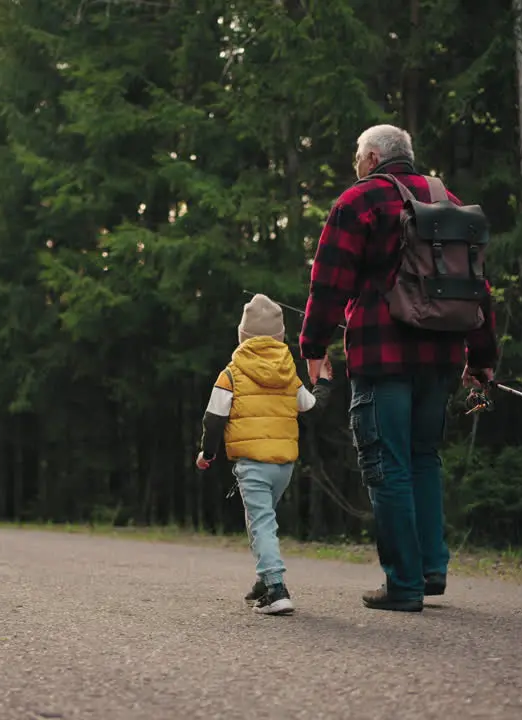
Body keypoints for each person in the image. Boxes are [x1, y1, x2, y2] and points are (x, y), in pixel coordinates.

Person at [298, 124, 499, 613]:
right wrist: (482, 357)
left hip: (382, 355)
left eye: (356, 155)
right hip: (444, 356)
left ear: (370, 157)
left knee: (387, 466)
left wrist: (312, 344)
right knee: (424, 457)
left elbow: (329, 281)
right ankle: (431, 569)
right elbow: (476, 285)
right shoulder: (446, 200)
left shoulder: (360, 201)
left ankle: (404, 584)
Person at [196, 293, 334, 616]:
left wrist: (208, 452)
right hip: (283, 467)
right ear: (280, 337)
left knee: (260, 523)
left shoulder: (231, 374)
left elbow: (213, 418)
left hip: (253, 465)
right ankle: (263, 579)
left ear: (242, 336)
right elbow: (312, 409)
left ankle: (276, 589)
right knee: (262, 520)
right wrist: (325, 381)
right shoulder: (288, 374)